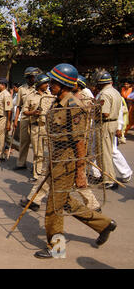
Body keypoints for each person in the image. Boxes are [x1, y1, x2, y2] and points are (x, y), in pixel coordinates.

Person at [34, 63, 116, 259]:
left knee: (54, 207)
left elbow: (81, 142)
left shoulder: (74, 106)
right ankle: (103, 224)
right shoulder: (57, 103)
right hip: (57, 161)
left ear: (64, 85)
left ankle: (56, 248)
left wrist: (80, 171)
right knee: (65, 201)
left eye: (54, 83)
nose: (50, 85)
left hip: (67, 163)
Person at [23, 74, 53, 182]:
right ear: (40, 84)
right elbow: (25, 111)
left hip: (49, 127)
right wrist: (33, 112)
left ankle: (51, 173)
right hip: (36, 127)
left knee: (51, 151)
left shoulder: (51, 95)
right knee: (38, 152)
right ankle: (37, 174)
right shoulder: (31, 96)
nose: (47, 85)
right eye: (45, 83)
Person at [95, 71, 122, 190]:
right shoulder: (115, 91)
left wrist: (94, 112)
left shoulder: (104, 94)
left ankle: (108, 179)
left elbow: (104, 113)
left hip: (105, 124)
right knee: (107, 151)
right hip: (113, 123)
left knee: (104, 153)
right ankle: (107, 176)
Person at [13, 67, 41, 170]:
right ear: (28, 78)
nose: (34, 79)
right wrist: (15, 120)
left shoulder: (39, 88)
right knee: (24, 142)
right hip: (24, 118)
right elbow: (18, 106)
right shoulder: (22, 89)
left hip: (36, 119)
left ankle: (36, 167)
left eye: (34, 77)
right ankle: (21, 163)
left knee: (36, 144)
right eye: (32, 77)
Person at [0, 78, 13, 162]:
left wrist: (8, 122)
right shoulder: (1, 94)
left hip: (4, 118)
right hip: (0, 118)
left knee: (0, 138)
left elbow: (9, 110)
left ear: (3, 85)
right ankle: (3, 154)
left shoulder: (6, 95)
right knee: (4, 137)